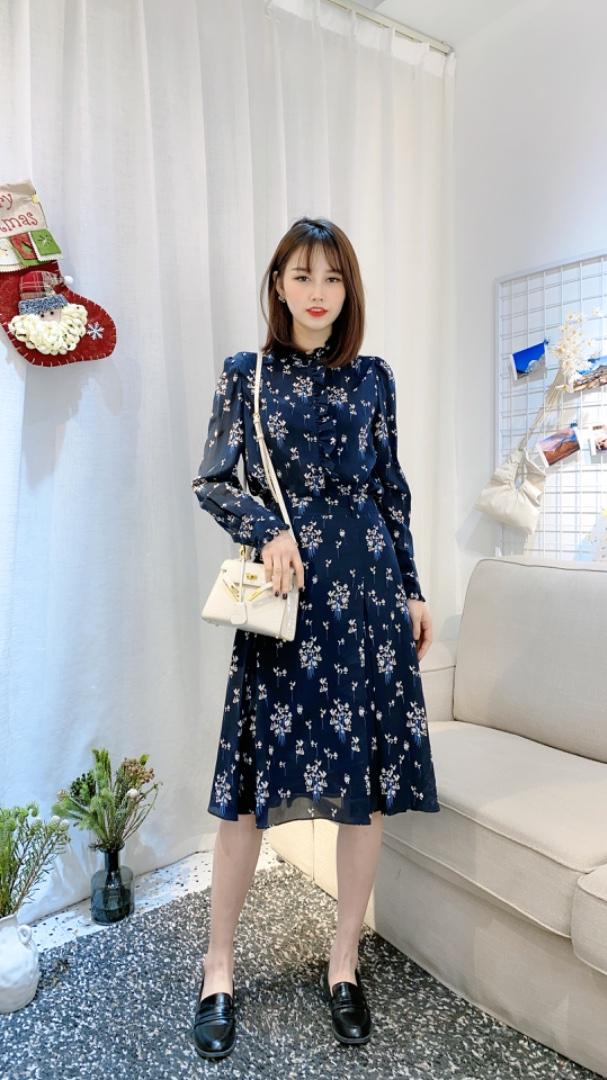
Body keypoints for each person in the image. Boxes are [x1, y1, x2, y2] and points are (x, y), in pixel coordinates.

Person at [190, 216, 439, 1058]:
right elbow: (214, 479)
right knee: (249, 791)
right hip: (288, 598)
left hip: (368, 595)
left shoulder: (374, 376)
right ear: (277, 284)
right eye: (302, 275)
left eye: (332, 277)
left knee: (359, 785)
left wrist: (411, 587)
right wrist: (266, 527)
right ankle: (218, 965)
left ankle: (343, 961)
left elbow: (390, 488)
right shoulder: (247, 373)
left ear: (348, 288)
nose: (318, 292)